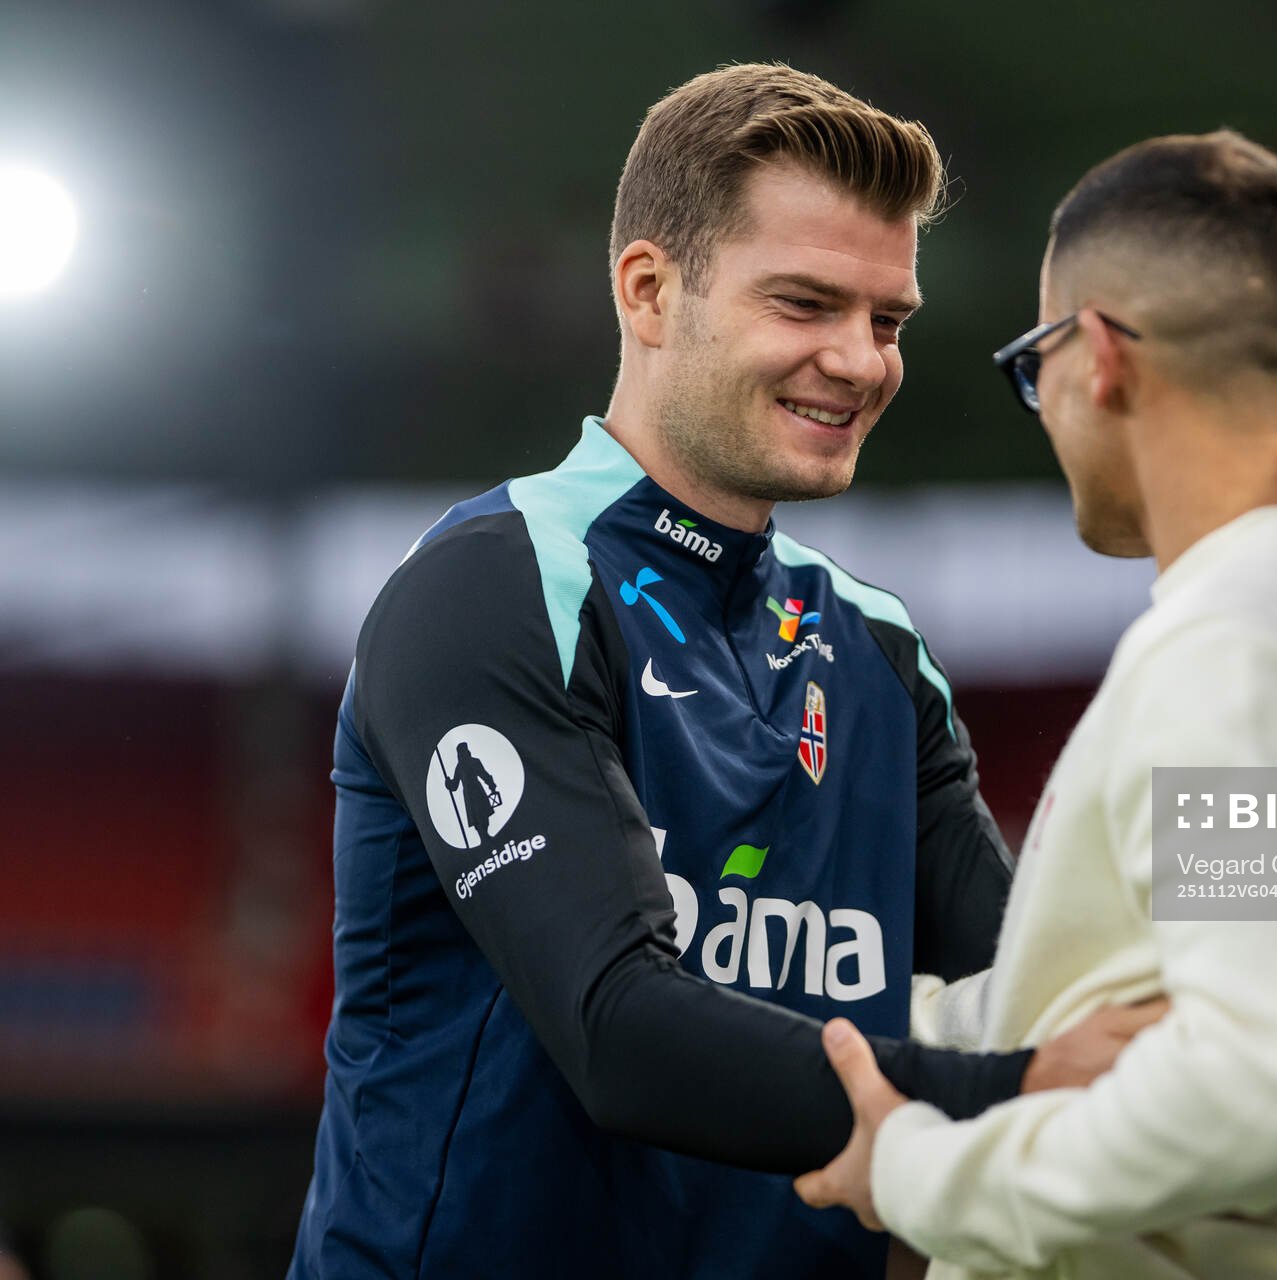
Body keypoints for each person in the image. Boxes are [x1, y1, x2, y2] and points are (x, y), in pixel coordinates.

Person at [288, 64, 1156, 1280]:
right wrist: (1013, 1085)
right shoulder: (494, 583)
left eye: (888, 320)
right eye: (805, 303)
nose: (859, 361)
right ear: (650, 290)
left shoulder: (878, 651)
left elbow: (1038, 977)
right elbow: (620, 1034)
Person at [797, 130, 1277, 1278]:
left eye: (1035, 365)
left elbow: (1268, 1081)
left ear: (1101, 355)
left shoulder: (1250, 645)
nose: (1047, 405)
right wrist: (846, 1031)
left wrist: (918, 1168)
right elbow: (1123, 1003)